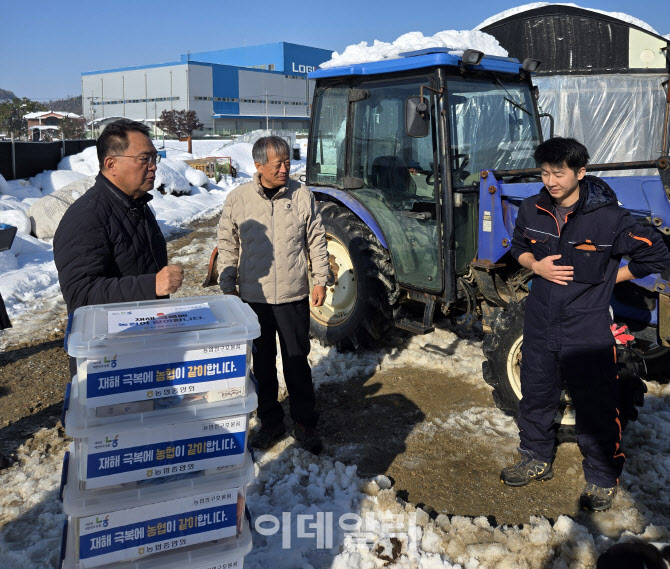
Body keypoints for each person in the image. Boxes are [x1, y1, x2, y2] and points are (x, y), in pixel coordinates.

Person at [501, 137, 670, 511]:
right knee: (536, 395)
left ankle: (601, 478)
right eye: (544, 172)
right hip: (540, 320)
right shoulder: (532, 208)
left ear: (581, 172)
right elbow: (517, 244)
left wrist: (613, 278)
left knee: (595, 406)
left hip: (586, 325)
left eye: (558, 173)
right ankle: (535, 457)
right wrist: (535, 264)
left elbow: (655, 253)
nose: (550, 181)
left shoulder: (610, 219)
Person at [216, 136, 329, 454]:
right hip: (255, 297)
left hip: (293, 295)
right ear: (258, 166)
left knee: (297, 363)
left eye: (287, 162)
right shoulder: (238, 199)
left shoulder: (301, 194)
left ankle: (305, 423)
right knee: (263, 364)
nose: (285, 168)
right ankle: (271, 422)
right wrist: (228, 283)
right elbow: (228, 242)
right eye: (277, 163)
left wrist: (320, 279)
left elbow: (315, 239)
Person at [54, 119, 183, 375]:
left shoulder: (137, 206)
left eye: (155, 158)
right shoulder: (87, 215)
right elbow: (81, 294)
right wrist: (152, 284)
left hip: (140, 343)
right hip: (107, 358)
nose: (153, 166)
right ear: (111, 164)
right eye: (144, 158)